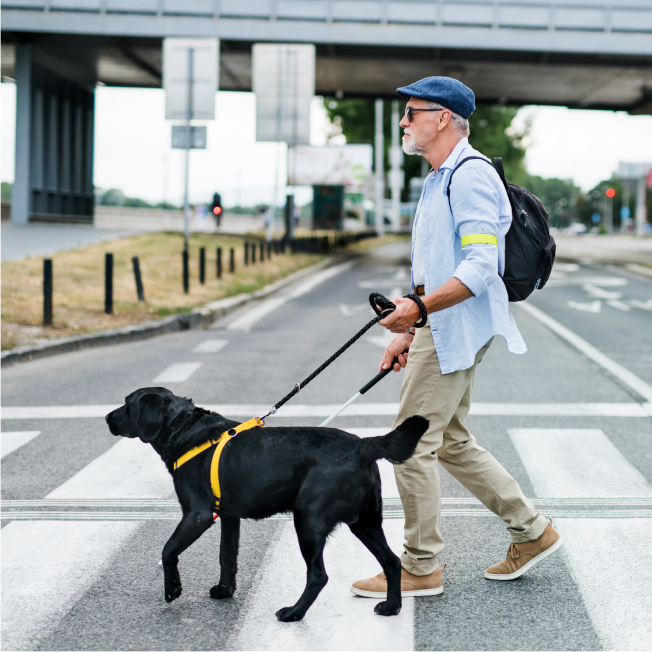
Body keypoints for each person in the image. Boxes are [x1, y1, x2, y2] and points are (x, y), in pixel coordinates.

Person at [351, 77, 563, 599]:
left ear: (443, 118)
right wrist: (413, 323)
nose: (404, 122)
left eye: (412, 113)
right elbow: (439, 265)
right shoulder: (440, 177)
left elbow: (480, 266)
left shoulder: (468, 177)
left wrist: (419, 311)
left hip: (456, 323)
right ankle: (531, 530)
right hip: (443, 324)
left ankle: (421, 565)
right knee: (448, 439)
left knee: (411, 445)